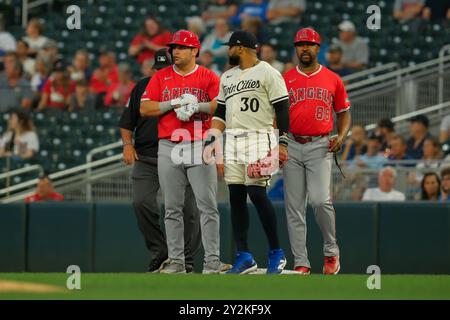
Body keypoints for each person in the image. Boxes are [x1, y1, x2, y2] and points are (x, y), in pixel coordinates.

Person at [204, 30, 290, 275]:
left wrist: (282, 143)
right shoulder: (227, 77)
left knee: (257, 192)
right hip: (232, 140)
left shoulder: (268, 72)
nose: (227, 51)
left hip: (258, 137)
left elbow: (282, 109)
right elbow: (220, 113)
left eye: (229, 46)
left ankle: (277, 252)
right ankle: (244, 256)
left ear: (240, 48)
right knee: (236, 197)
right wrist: (212, 139)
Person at [140, 30, 221, 274]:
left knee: (207, 206)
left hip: (199, 142)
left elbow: (221, 105)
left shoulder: (208, 76)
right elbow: (145, 108)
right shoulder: (161, 77)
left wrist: (199, 105)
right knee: (172, 208)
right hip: (168, 144)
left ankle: (212, 261)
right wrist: (173, 103)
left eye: (181, 47)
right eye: (173, 47)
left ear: (195, 50)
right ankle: (176, 262)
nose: (175, 51)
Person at [119, 49, 201, 273]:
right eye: (158, 69)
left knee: (189, 209)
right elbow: (127, 123)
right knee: (141, 202)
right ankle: (161, 252)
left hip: (181, 153)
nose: (161, 72)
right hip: (146, 158)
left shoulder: (190, 87)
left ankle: (186, 258)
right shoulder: (143, 87)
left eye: (165, 69)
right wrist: (127, 145)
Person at [283, 28, 352, 275]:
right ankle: (301, 261)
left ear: (317, 48)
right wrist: (278, 143)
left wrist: (342, 137)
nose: (304, 48)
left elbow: (344, 113)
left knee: (321, 201)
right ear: (296, 48)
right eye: (300, 44)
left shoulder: (333, 78)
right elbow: (276, 115)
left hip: (320, 145)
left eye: (309, 44)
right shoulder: (285, 77)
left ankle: (331, 251)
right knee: (294, 206)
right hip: (291, 143)